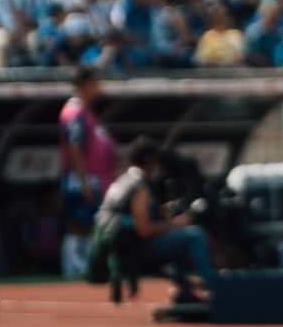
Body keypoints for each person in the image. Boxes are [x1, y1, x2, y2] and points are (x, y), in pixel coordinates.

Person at [93, 137, 218, 300]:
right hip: (136, 249)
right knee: (194, 235)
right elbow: (144, 230)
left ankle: (185, 289)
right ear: (150, 161)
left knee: (180, 239)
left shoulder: (121, 182)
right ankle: (214, 288)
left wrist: (162, 216)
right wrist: (174, 223)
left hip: (119, 248)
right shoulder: (140, 187)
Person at [57, 70, 118, 280]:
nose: (99, 87)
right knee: (79, 224)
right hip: (80, 178)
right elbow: (74, 146)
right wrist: (84, 181)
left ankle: (85, 265)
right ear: (86, 84)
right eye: (95, 83)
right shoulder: (74, 112)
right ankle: (73, 268)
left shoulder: (84, 111)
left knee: (91, 224)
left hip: (92, 177)